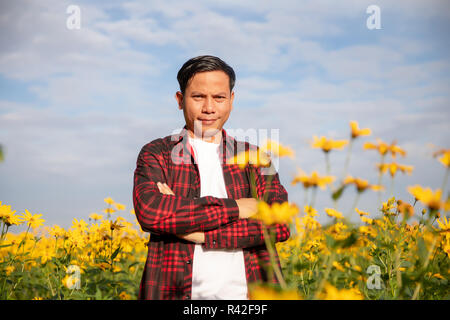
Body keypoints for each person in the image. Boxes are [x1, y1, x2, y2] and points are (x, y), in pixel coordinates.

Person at [133, 55, 290, 300]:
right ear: (180, 100)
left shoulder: (256, 157)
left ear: (231, 100)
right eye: (198, 97)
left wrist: (199, 234)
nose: (209, 108)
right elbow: (153, 213)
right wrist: (239, 207)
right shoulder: (158, 153)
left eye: (219, 97)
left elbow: (279, 223)